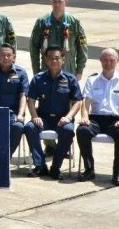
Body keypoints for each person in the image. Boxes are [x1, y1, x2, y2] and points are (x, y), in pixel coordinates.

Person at [77, 48, 119, 186]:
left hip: (115, 120)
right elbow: (86, 101)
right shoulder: (92, 79)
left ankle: (117, 172)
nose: (108, 63)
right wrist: (84, 117)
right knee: (82, 131)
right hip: (96, 118)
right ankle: (89, 169)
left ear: (117, 61)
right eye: (105, 60)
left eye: (111, 60)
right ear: (100, 61)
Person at [24, 45, 83, 180]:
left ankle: (56, 167)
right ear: (45, 60)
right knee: (29, 127)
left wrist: (68, 117)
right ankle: (40, 166)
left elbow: (77, 102)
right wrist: (34, 116)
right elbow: (31, 99)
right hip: (43, 117)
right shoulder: (38, 78)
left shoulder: (70, 79)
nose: (54, 61)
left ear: (63, 59)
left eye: (57, 58)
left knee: (68, 131)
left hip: (62, 118)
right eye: (50, 58)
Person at [29, 0, 87, 80]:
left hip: (68, 70)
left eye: (59, 1)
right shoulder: (42, 22)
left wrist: (79, 71)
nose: (56, 4)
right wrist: (36, 71)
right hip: (46, 71)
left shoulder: (74, 22)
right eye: (54, 1)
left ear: (65, 2)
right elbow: (34, 47)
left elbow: (82, 47)